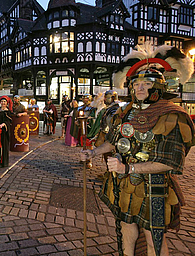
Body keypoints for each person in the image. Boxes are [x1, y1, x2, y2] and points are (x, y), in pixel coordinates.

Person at [80, 43, 195, 256]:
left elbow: (169, 162)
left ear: (159, 86)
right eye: (136, 83)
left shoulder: (173, 115)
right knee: (126, 229)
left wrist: (127, 169)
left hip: (155, 189)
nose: (139, 88)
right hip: (124, 186)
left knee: (154, 240)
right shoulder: (126, 113)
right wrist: (94, 153)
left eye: (146, 83)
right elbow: (114, 141)